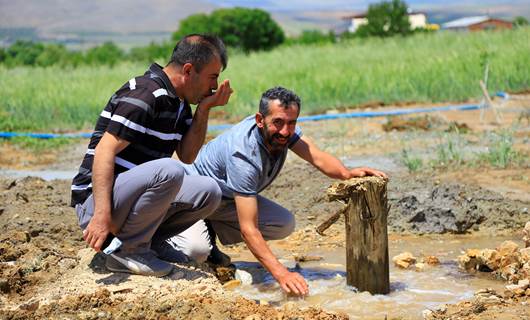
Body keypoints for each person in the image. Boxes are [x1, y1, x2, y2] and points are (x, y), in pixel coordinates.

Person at [165, 86, 387, 295]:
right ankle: (167, 236)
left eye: (292, 123)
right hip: (192, 201)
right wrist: (281, 273)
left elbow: (317, 156)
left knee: (283, 223)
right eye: (278, 122)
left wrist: (347, 173)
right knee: (195, 251)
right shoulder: (244, 155)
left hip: (223, 199)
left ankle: (210, 232)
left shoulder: (285, 131)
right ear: (260, 120)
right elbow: (248, 229)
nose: (285, 130)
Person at [70, 34, 233, 277]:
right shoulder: (147, 93)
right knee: (170, 170)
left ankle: (150, 242)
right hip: (96, 202)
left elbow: (187, 155)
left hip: (128, 199)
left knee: (209, 192)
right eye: (212, 77)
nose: (213, 87)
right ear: (188, 70)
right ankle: (127, 250)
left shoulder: (179, 102)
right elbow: (104, 151)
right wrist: (101, 216)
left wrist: (204, 110)